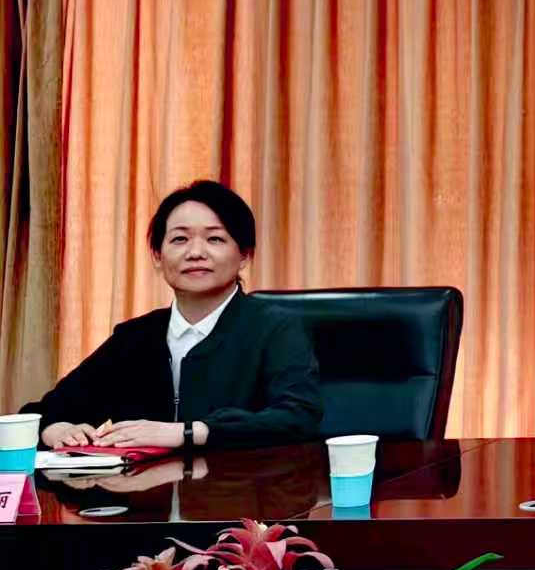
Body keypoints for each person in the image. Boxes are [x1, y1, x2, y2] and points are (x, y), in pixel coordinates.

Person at [24, 180, 322, 450]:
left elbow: (298, 417)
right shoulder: (135, 337)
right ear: (157, 256)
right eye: (180, 239)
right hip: (150, 492)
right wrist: (55, 428)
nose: (195, 252)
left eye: (215, 239)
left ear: (244, 255)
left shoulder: (275, 328)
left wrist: (188, 432)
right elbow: (45, 410)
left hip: (242, 489)